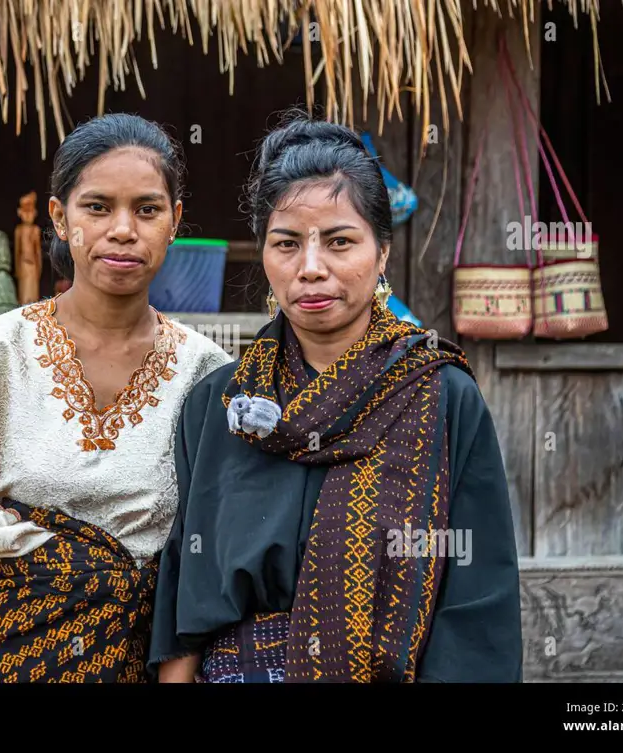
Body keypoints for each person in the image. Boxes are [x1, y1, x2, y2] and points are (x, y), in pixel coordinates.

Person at [148, 111, 523, 683]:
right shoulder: (222, 405)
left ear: (383, 254)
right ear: (265, 254)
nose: (312, 268)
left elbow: (476, 603)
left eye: (340, 242)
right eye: (287, 244)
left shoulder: (441, 396)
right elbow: (185, 595)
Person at [0, 113, 233, 683]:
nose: (123, 229)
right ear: (61, 218)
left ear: (174, 223)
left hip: (135, 657)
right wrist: (49, 567)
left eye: (147, 209)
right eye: (97, 207)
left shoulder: (206, 373)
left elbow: (208, 553)